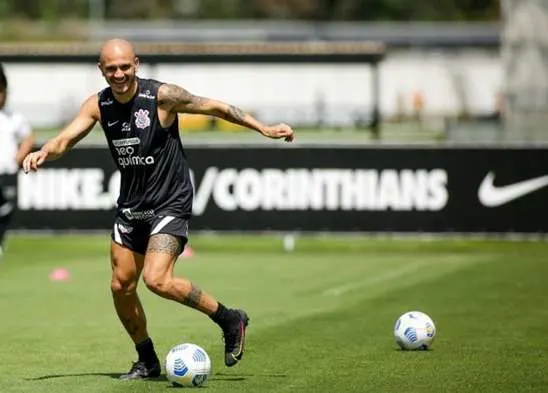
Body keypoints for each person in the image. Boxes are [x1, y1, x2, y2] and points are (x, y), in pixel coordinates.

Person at [22, 38, 295, 380]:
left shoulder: (162, 97)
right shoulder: (98, 104)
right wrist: (45, 151)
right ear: (101, 69)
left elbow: (215, 107)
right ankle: (147, 360)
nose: (119, 74)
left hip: (170, 201)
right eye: (111, 68)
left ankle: (229, 318)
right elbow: (65, 139)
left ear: (136, 63)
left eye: (124, 66)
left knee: (156, 279)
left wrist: (264, 128)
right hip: (131, 208)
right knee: (121, 286)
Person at [0, 64, 35, 257]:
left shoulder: (13, 117)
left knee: (5, 210)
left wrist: (19, 158)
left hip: (6, 173)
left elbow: (28, 137)